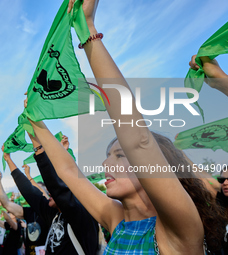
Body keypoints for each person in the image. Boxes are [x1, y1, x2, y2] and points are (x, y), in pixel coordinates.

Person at [26, 0, 227, 254]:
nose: (105, 165)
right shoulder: (115, 221)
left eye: (121, 155)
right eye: (109, 156)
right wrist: (36, 124)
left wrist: (87, 30)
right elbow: (66, 170)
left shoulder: (181, 229)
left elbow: (137, 139)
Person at [2, 134, 99, 254]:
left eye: (52, 190)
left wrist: (35, 139)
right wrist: (8, 159)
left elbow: (56, 184)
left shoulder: (79, 215)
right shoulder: (54, 215)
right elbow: (29, 192)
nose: (49, 192)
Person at [0, 168, 49, 255]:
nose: (36, 193)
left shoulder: (53, 212)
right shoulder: (30, 212)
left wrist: (30, 178)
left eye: (39, 190)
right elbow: (6, 204)